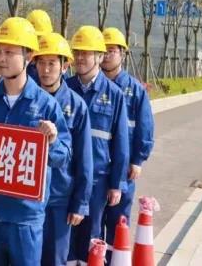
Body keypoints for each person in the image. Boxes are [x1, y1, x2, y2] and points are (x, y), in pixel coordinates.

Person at [0, 17, 71, 266]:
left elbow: (63, 156)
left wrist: (53, 140)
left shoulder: (46, 105)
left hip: (25, 217)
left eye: (9, 52)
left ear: (28, 56)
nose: (1, 58)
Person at [66, 25, 129, 263]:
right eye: (77, 52)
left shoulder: (114, 95)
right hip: (67, 177)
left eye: (86, 53)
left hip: (97, 181)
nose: (80, 58)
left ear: (99, 57)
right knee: (65, 238)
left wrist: (116, 184)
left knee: (90, 237)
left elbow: (121, 143)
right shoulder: (65, 89)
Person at [33, 32, 93, 266]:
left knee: (55, 258)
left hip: (59, 199)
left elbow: (84, 159)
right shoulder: (28, 100)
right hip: (29, 197)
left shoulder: (77, 106)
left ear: (65, 66)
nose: (46, 70)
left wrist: (80, 203)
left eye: (52, 63)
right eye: (41, 63)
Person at [101, 27, 154, 250]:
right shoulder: (93, 87)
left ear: (122, 53)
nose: (106, 55)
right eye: (103, 50)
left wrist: (137, 160)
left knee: (118, 222)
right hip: (98, 166)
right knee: (92, 225)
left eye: (112, 50)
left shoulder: (135, 90)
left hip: (124, 168)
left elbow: (145, 126)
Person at [26, 9, 53, 84]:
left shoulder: (57, 63)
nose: (37, 42)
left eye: (39, 37)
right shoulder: (21, 62)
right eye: (33, 37)